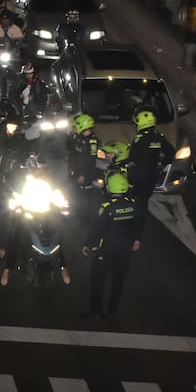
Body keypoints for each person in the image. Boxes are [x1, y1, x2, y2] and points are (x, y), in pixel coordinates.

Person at [81, 172, 141, 323]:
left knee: (97, 280)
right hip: (124, 251)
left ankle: (96, 310)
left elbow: (96, 229)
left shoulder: (106, 207)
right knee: (118, 281)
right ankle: (112, 311)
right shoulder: (132, 204)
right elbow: (138, 224)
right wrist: (136, 239)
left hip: (105, 251)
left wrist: (87, 244)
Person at [125, 110, 176, 214]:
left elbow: (132, 158)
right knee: (143, 201)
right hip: (152, 174)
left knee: (131, 199)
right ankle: (140, 222)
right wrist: (161, 165)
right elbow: (170, 152)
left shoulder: (140, 139)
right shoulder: (159, 137)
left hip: (138, 175)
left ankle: (131, 220)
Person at [68, 113, 101, 188]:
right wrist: (72, 136)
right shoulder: (80, 137)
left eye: (75, 126)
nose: (74, 128)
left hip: (84, 175)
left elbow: (91, 159)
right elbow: (71, 148)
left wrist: (83, 175)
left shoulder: (92, 141)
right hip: (76, 171)